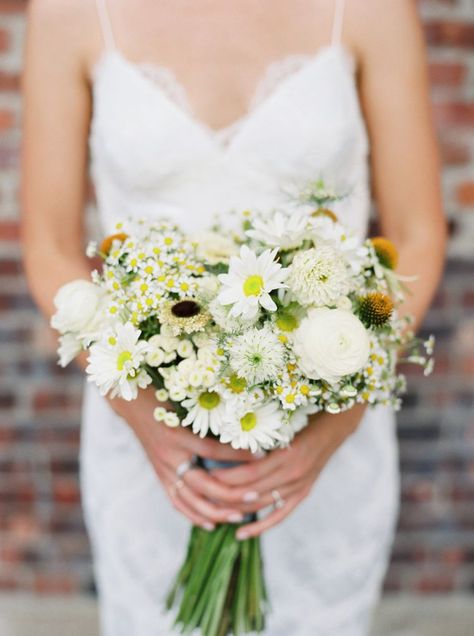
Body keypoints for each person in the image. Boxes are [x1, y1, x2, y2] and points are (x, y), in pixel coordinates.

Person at [21, 0, 446, 634]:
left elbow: (417, 233)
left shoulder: (373, 9)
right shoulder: (71, 12)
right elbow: (49, 246)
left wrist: (340, 413)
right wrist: (137, 405)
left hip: (324, 426)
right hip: (152, 438)